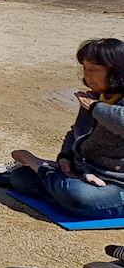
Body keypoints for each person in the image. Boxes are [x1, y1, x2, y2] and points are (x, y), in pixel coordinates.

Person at [7, 38, 124, 219]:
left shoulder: (95, 103)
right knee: (20, 178)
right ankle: (56, 182)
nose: (87, 75)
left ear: (115, 71)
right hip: (85, 173)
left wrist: (95, 107)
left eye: (93, 70)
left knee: (78, 196)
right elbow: (76, 132)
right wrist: (65, 157)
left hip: (117, 183)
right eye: (84, 69)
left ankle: (40, 167)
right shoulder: (96, 97)